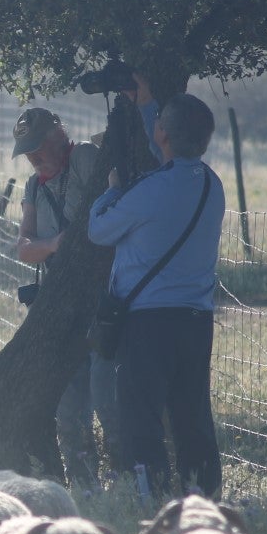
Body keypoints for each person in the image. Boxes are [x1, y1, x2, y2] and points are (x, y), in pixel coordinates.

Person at [88, 93, 226, 499]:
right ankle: (203, 498)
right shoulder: (211, 185)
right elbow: (168, 151)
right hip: (197, 321)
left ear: (162, 132)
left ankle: (152, 501)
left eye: (159, 121)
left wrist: (111, 191)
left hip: (148, 324)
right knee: (193, 418)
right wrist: (152, 105)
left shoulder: (147, 190)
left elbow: (98, 230)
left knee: (141, 419)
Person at [12, 107, 121, 486]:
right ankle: (86, 489)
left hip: (103, 299)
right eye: (27, 152)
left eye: (38, 147)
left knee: (108, 401)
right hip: (61, 305)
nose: (34, 158)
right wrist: (56, 243)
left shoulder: (85, 159)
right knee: (70, 410)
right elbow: (24, 247)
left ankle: (123, 483)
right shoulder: (33, 186)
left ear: (59, 135)